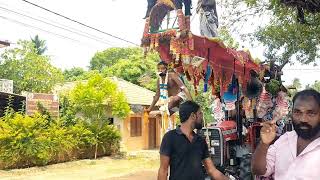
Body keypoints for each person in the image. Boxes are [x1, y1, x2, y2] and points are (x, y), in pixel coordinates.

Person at [251, 89, 320, 179]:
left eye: (311, 113)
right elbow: (258, 170)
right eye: (297, 112)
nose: (303, 119)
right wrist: (264, 144)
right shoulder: (285, 139)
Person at [157, 101, 229, 180]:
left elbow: (212, 170)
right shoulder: (169, 138)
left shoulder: (200, 141)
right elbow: (163, 171)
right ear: (193, 116)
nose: (202, 117)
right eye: (200, 114)